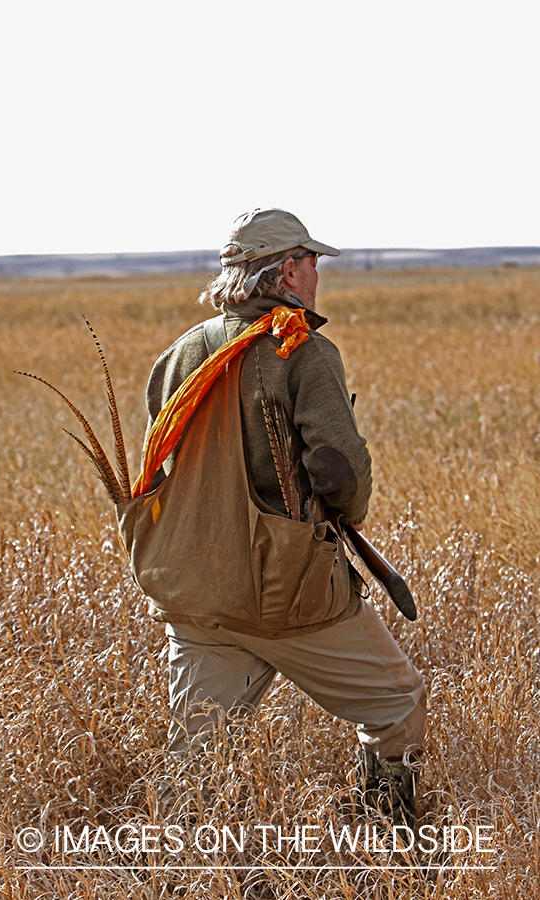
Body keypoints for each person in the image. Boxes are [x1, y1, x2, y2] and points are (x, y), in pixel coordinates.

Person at [140, 208, 426, 827]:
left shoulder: (178, 355)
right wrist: (344, 513)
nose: (318, 273)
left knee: (198, 754)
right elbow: (341, 470)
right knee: (396, 702)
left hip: (192, 590)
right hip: (286, 591)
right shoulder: (303, 350)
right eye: (313, 261)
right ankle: (390, 848)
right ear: (288, 271)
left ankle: (178, 868)